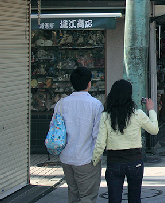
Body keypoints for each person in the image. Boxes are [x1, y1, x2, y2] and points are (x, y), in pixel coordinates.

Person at [92, 80, 159, 203]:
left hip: (114, 162)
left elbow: (100, 142)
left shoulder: (106, 116)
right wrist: (151, 110)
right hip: (135, 162)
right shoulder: (138, 114)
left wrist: (95, 160)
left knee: (114, 199)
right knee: (135, 198)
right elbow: (154, 130)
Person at [53, 66, 104, 203]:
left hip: (66, 157)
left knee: (73, 194)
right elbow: (97, 134)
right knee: (87, 196)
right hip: (86, 158)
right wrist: (97, 156)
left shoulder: (61, 104)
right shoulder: (95, 104)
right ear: (89, 83)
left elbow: (55, 129)